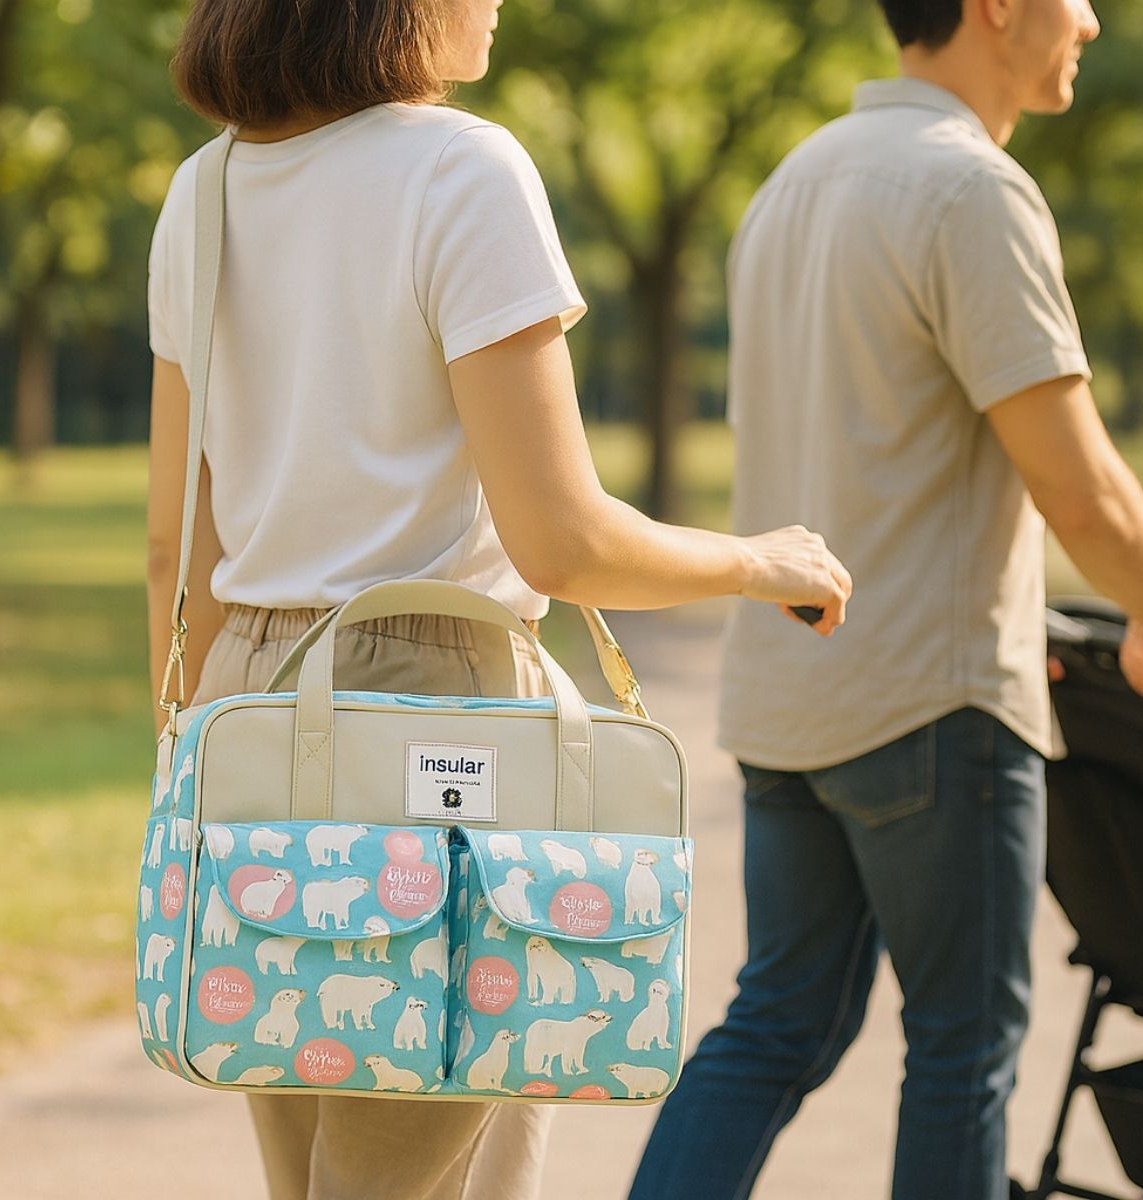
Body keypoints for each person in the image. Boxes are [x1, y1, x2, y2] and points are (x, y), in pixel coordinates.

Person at [144, 2, 852, 1198]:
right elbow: (562, 543)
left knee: (316, 1162)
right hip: (435, 708)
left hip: (248, 701)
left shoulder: (202, 193)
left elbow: (176, 542)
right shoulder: (463, 170)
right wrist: (754, 559)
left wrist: (187, 763)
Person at [630, 0, 1143, 1197]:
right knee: (962, 1049)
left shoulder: (791, 184)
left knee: (775, 1026)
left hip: (788, 704)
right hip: (934, 704)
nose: (1091, 20)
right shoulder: (971, 190)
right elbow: (1078, 483)